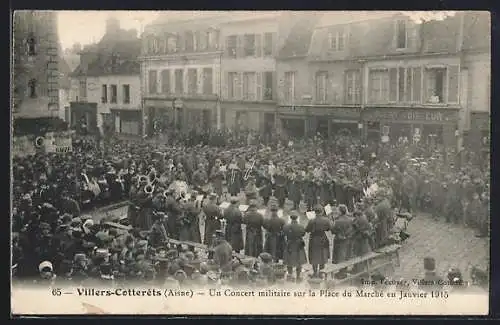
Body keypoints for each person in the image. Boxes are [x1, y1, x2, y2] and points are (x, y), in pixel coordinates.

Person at [305, 204, 332, 278]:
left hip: (314, 239)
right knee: (322, 255)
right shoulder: (326, 220)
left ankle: (315, 273)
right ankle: (321, 273)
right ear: (322, 211)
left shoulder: (312, 220)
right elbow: (329, 228)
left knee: (314, 256)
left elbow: (307, 230)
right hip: (323, 238)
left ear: (315, 212)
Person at [283, 211, 307, 282]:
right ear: (297, 218)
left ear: (290, 218)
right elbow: (303, 234)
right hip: (298, 245)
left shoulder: (286, 226)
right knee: (299, 261)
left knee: (289, 260)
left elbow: (284, 233)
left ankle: (290, 276)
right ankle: (298, 277)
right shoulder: (301, 227)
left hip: (289, 244)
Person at [331, 204, 354, 278]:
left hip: (339, 240)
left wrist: (332, 223)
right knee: (346, 255)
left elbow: (333, 231)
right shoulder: (350, 219)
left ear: (340, 211)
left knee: (340, 256)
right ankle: (344, 270)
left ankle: (341, 273)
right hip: (348, 240)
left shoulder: (337, 221)